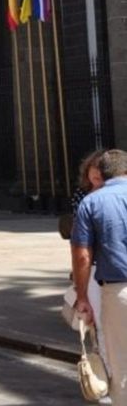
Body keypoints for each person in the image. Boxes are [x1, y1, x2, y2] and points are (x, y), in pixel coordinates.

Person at [71, 148, 127, 406]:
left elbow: (83, 257)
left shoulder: (92, 202)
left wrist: (82, 296)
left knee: (121, 361)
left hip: (118, 292)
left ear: (100, 174)